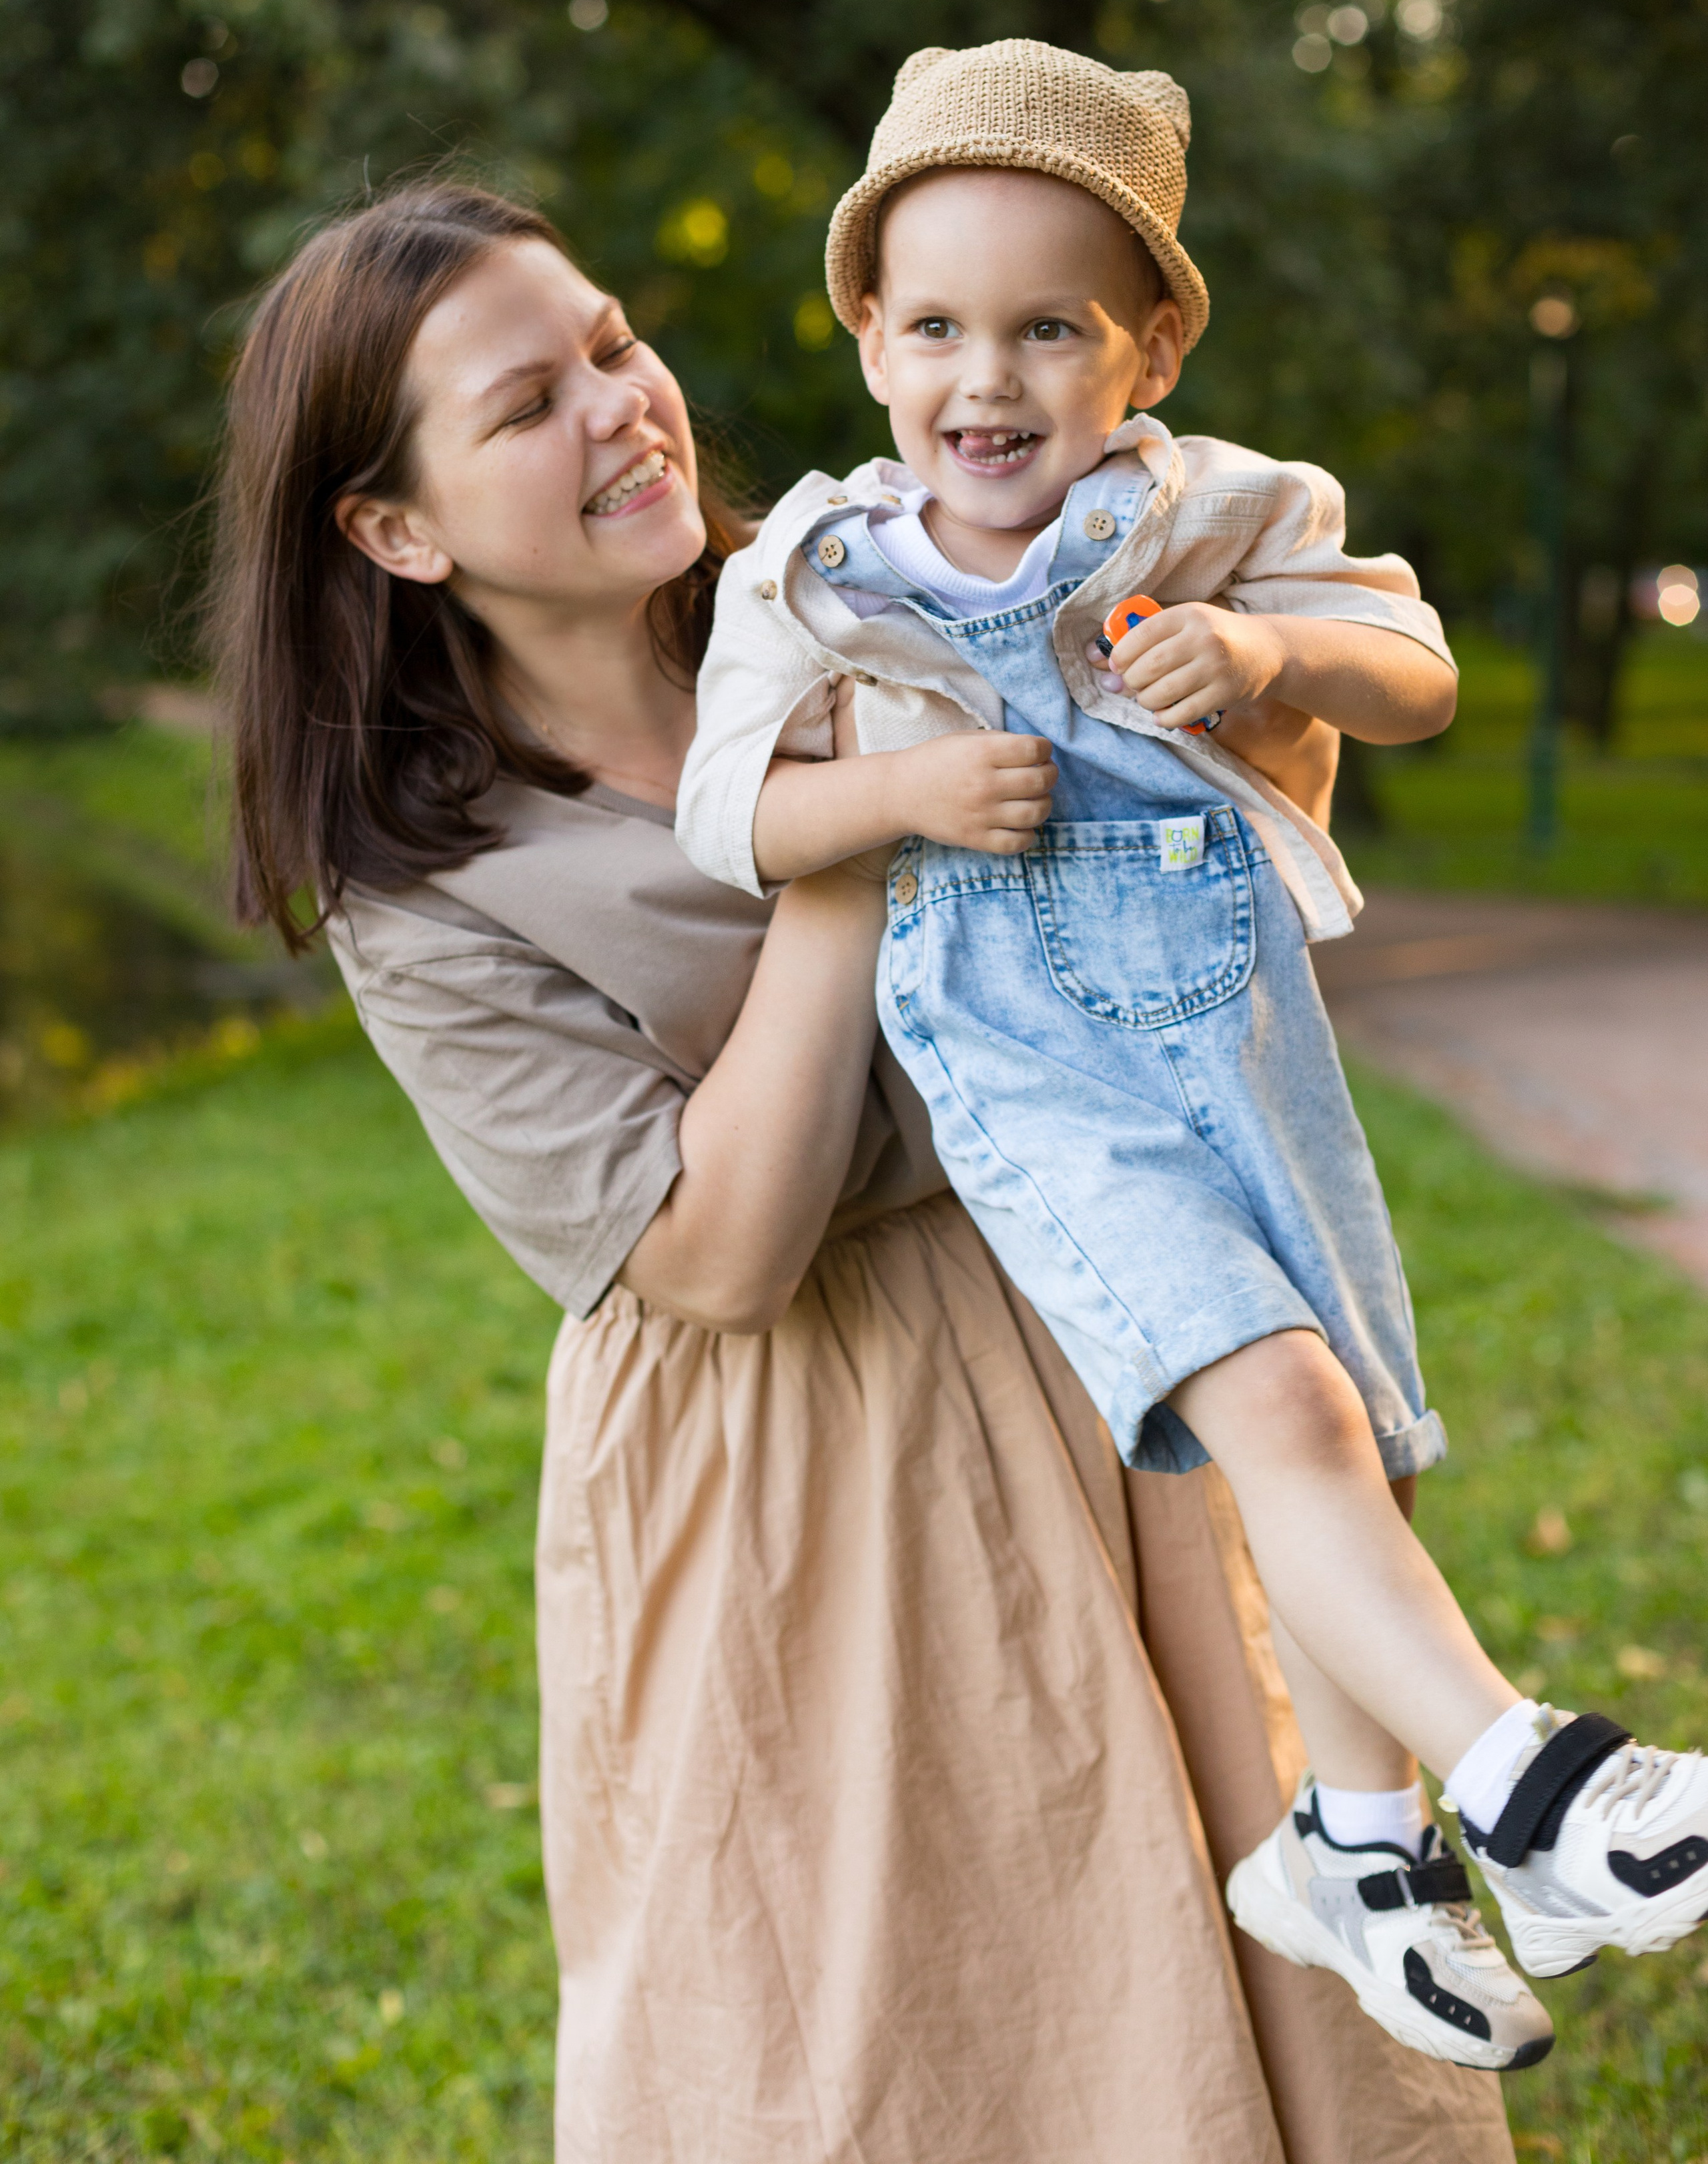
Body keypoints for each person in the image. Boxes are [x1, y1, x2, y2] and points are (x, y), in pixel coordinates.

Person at [211, 175, 1519, 2159]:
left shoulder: (875, 579)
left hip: (1099, 1314)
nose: (620, 407)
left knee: (1264, 1954)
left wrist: (1233, 669)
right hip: (796, 1457)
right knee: (891, 2014)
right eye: (526, 407)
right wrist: (841, 820)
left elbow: (1220, 820)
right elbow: (718, 1257)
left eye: (610, 344)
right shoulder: (432, 884)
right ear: (397, 530)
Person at [677, 40, 1708, 2068]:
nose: (988, 380)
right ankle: (1535, 1789)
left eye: (1050, 328)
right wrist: (890, 801)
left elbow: (1414, 672)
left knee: (1354, 1431)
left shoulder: (1217, 510)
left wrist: (1264, 652)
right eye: (938, 327)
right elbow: (723, 814)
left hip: (1237, 1031)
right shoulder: (812, 575)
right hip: (1025, 1068)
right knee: (1282, 1405)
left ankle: (1362, 1849)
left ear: (1146, 349)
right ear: (869, 337)